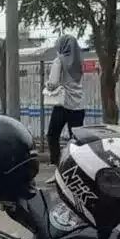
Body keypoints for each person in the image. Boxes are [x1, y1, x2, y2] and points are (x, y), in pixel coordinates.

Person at [42, 33, 88, 162]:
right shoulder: (79, 61)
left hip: (63, 105)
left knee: (52, 135)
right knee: (76, 140)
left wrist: (48, 85)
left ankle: (57, 166)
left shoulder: (59, 60)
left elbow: (53, 83)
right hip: (79, 106)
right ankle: (77, 166)